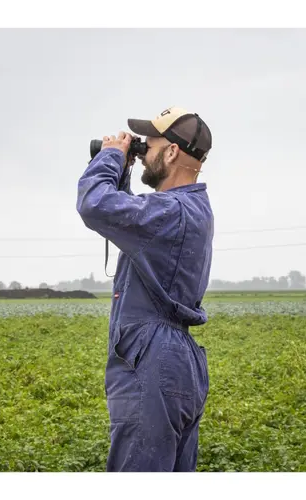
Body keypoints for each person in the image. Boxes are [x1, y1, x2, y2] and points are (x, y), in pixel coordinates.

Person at [76, 107, 214, 472]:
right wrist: (124, 172)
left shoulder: (170, 213)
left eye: (149, 145)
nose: (143, 152)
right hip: (176, 360)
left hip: (153, 361)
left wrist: (109, 158)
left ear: (170, 153)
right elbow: (130, 219)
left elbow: (95, 205)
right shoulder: (190, 209)